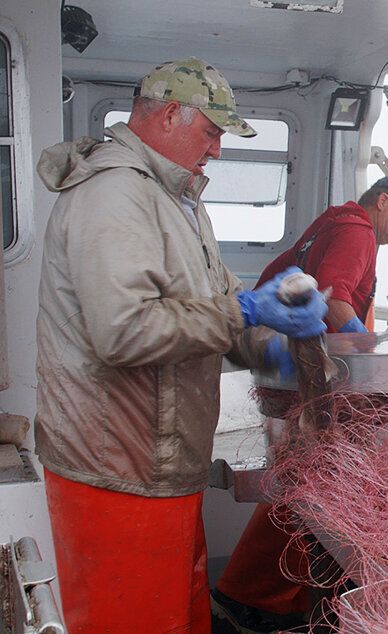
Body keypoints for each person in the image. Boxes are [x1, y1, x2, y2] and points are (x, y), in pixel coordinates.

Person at [34, 58, 328, 633]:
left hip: (165, 467)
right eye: (214, 131)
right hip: (116, 473)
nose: (218, 149)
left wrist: (268, 345)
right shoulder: (115, 194)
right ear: (171, 114)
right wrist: (242, 311)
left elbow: (215, 301)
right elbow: (122, 331)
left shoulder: (181, 202)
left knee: (181, 618)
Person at [211, 175, 388, 632]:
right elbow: (334, 297)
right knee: (316, 490)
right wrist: (374, 361)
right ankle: (254, 597)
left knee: (299, 486)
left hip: (284, 378)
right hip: (302, 380)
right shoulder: (359, 230)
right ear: (383, 201)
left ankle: (251, 595)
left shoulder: (334, 222)